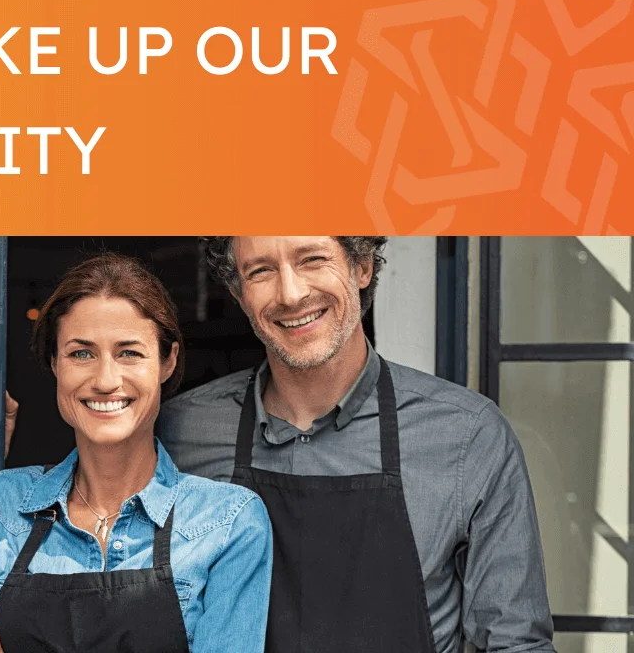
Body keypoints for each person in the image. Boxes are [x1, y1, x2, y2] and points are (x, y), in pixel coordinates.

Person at [157, 236, 555, 653]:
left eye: (312, 259)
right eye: (261, 271)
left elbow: (516, 645)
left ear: (362, 266)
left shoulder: (466, 436)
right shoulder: (180, 432)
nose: (291, 294)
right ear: (239, 293)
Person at [0, 253, 272, 653]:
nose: (105, 380)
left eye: (129, 353)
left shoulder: (227, 522)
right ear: (55, 363)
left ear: (168, 361)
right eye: (81, 353)